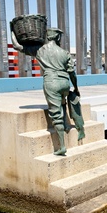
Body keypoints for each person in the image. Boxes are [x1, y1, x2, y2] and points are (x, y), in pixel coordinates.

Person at [11, 27, 84, 156]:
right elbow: (72, 74)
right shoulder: (65, 52)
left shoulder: (40, 50)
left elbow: (17, 46)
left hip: (51, 82)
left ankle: (61, 146)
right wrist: (76, 88)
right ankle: (67, 125)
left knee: (55, 115)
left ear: (48, 37)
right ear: (58, 37)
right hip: (64, 82)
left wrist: (13, 29)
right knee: (62, 101)